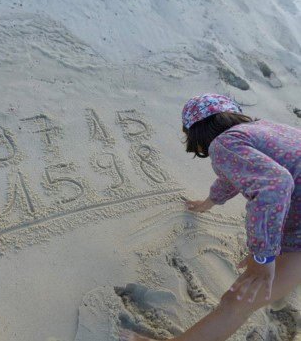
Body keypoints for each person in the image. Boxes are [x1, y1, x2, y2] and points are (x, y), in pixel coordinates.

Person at [121, 93, 301, 341]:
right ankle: (281, 292)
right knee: (270, 279)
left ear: (193, 134)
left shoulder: (224, 144)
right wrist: (210, 201)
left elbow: (276, 185)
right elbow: (240, 174)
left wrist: (263, 256)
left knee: (236, 302)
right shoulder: (263, 128)